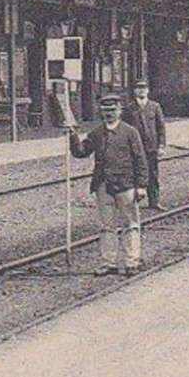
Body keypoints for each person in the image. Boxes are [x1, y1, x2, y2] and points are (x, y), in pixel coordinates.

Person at [69, 92, 148, 276]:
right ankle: (109, 263)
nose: (109, 113)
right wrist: (72, 136)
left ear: (119, 111)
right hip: (103, 186)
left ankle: (132, 262)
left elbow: (140, 160)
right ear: (101, 112)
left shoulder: (130, 132)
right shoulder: (97, 133)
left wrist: (142, 185)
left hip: (126, 185)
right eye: (105, 110)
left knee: (131, 225)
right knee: (107, 226)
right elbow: (81, 152)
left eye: (112, 110)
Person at [123, 78, 167, 210]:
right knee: (134, 174)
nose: (141, 90)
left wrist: (161, 145)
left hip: (151, 147)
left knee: (153, 175)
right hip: (135, 148)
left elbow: (161, 127)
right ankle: (133, 202)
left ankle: (154, 201)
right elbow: (124, 128)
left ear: (148, 91)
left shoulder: (155, 107)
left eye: (144, 88)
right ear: (135, 91)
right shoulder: (129, 108)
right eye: (138, 88)